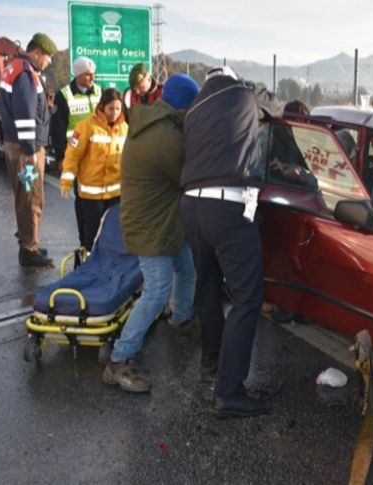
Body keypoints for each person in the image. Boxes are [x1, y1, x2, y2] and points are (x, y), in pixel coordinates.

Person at [180, 65, 282, 419]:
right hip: (228, 205)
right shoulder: (243, 93)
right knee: (247, 297)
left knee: (206, 286)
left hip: (191, 205)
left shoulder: (194, 108)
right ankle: (230, 391)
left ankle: (212, 360)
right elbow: (278, 110)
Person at [103, 74, 200, 393]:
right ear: (185, 106)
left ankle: (180, 319)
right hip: (152, 227)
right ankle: (119, 360)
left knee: (187, 268)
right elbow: (189, 176)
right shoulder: (167, 137)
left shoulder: (153, 121)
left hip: (161, 220)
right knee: (158, 290)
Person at [0, 32, 57, 267]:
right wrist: (30, 150)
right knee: (31, 197)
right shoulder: (25, 73)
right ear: (36, 52)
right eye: (48, 56)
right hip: (26, 152)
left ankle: (29, 241)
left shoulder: (17, 67)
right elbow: (25, 114)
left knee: (26, 196)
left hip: (21, 147)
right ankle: (29, 249)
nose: (49, 61)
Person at [59, 88, 127, 251]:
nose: (115, 113)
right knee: (90, 237)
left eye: (118, 108)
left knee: (113, 237)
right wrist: (67, 181)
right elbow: (72, 155)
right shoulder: (85, 127)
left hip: (115, 195)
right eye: (111, 108)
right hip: (91, 196)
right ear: (102, 106)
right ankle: (86, 264)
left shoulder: (125, 129)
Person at [50, 56, 102, 249]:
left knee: (101, 200)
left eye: (93, 74)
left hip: (99, 157)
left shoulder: (99, 91)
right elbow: (58, 128)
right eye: (87, 75)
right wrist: (62, 157)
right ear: (78, 75)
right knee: (83, 201)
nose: (91, 78)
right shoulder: (64, 95)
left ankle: (99, 241)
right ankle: (85, 242)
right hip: (78, 158)